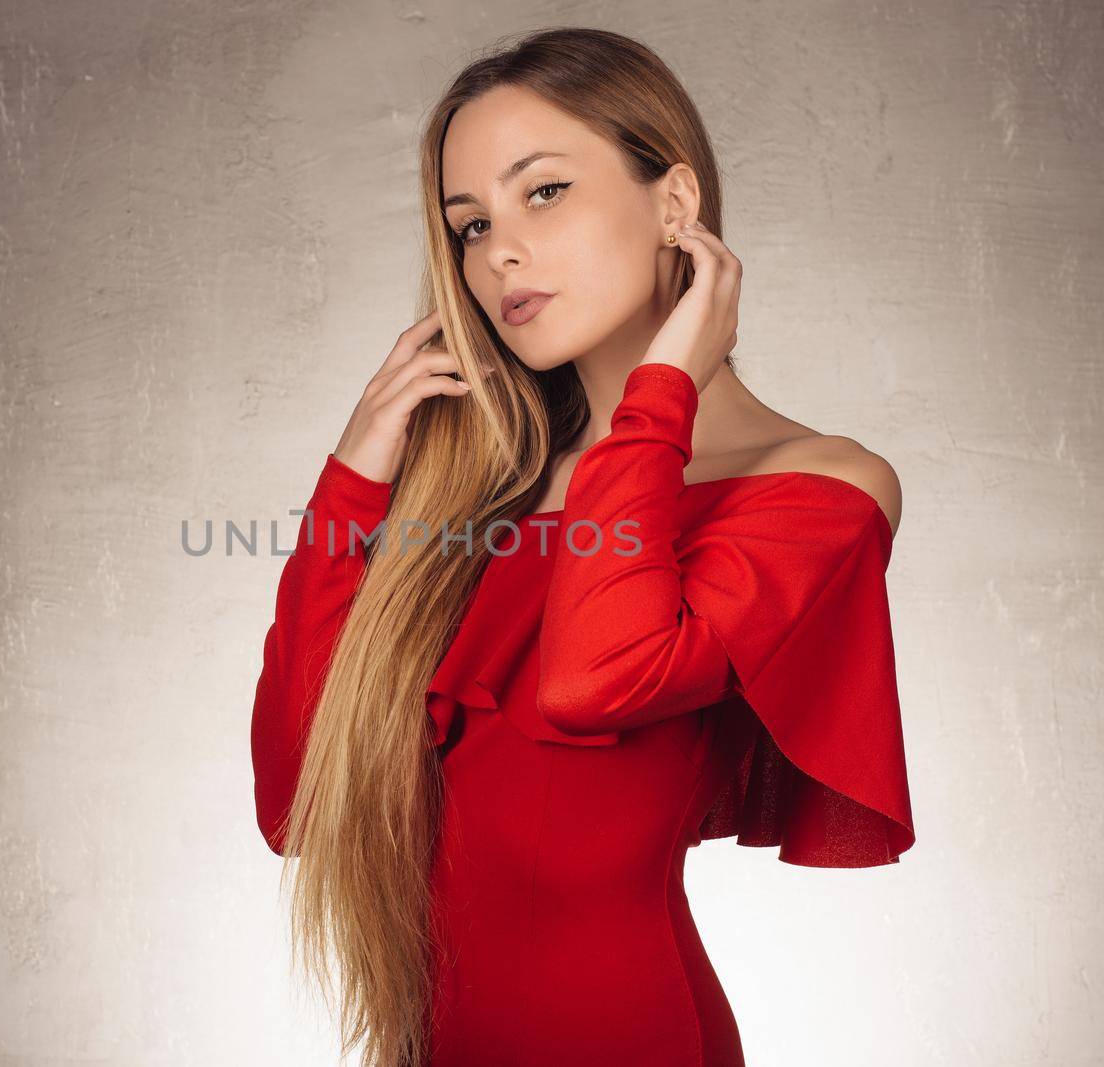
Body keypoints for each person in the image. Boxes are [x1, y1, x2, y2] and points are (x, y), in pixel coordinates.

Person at [250, 27, 915, 1067]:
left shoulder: (820, 486)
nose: (498, 251)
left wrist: (662, 395)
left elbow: (595, 679)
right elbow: (300, 803)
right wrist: (351, 486)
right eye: (468, 225)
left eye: (543, 192)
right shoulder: (471, 503)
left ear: (675, 204)